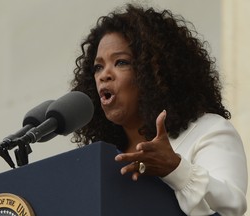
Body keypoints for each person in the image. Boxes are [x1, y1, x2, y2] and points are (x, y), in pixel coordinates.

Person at [70, 3, 248, 216]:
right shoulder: (107, 161)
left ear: (155, 73)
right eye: (98, 67)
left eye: (121, 62)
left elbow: (230, 207)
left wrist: (176, 169)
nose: (104, 75)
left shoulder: (208, 131)